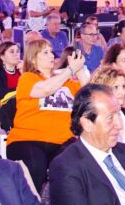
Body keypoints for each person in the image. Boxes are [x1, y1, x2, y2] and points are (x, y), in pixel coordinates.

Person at [5, 39, 88, 191]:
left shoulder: (67, 83)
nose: (51, 55)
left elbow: (90, 96)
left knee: (73, 165)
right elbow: (45, 90)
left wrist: (79, 70)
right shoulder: (27, 78)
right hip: (27, 139)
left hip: (62, 140)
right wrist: (69, 70)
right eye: (45, 52)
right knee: (36, 164)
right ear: (33, 58)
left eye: (51, 51)